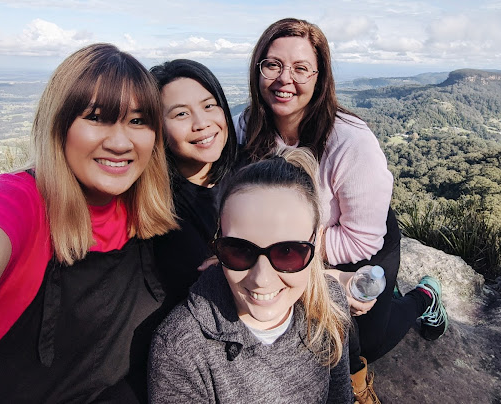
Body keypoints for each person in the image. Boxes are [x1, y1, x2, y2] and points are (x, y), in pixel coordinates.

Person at [236, 18, 448, 403]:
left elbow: (362, 236)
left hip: (360, 242)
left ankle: (422, 298)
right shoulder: (246, 127)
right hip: (295, 249)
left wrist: (296, 253)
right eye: (273, 65)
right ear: (257, 69)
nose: (285, 78)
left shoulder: (350, 141)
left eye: (301, 68)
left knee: (366, 345)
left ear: (320, 77)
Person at [0, 43, 177, 403]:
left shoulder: (144, 211)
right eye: (96, 117)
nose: (121, 142)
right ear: (58, 124)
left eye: (138, 121)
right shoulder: (21, 204)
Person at [148, 148, 353, 404]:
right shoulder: (181, 349)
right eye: (240, 250)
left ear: (317, 241)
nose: (261, 279)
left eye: (287, 251)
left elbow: (339, 397)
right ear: (218, 243)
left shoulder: (328, 303)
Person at [150, 59, 238, 302]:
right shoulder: (158, 208)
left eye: (209, 106)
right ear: (158, 128)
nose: (202, 124)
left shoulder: (251, 172)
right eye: (181, 114)